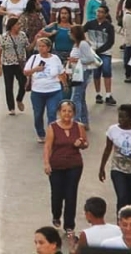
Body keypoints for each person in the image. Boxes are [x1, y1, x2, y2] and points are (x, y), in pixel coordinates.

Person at [43, 100, 88, 237]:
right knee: (57, 195)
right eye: (64, 111)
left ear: (74, 113)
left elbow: (85, 144)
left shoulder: (79, 126)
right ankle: (56, 215)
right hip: (56, 166)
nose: (67, 114)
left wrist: (81, 143)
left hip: (74, 166)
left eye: (69, 111)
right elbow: (48, 147)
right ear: (59, 112)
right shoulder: (53, 127)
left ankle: (69, 225)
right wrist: (46, 163)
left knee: (71, 195)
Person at [24, 38, 66, 144]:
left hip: (54, 90)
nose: (41, 48)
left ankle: (51, 135)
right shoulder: (34, 58)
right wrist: (35, 69)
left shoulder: (55, 58)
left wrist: (65, 84)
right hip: (38, 91)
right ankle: (40, 133)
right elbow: (26, 72)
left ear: (48, 48)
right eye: (39, 46)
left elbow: (61, 72)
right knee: (38, 114)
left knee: (52, 113)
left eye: (43, 46)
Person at [83, 6, 116, 106]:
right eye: (98, 11)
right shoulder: (90, 23)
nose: (98, 14)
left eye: (101, 12)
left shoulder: (109, 26)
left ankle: (108, 94)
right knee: (96, 73)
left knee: (106, 71)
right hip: (94, 52)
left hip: (105, 52)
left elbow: (111, 41)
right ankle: (98, 94)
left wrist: (99, 50)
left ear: (105, 14)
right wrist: (86, 43)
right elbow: (81, 31)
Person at [0, 18, 29, 115]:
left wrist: (36, 40)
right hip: (8, 64)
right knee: (9, 86)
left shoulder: (23, 35)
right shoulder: (4, 37)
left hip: (20, 64)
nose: (20, 26)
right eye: (18, 24)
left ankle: (19, 99)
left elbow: (28, 47)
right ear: (12, 26)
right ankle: (11, 108)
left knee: (23, 83)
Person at [67, 26, 98, 128]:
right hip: (78, 72)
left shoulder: (83, 44)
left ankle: (76, 122)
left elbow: (90, 59)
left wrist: (77, 60)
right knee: (80, 97)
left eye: (70, 32)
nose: (69, 34)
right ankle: (84, 121)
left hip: (83, 73)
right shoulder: (77, 44)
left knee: (76, 97)